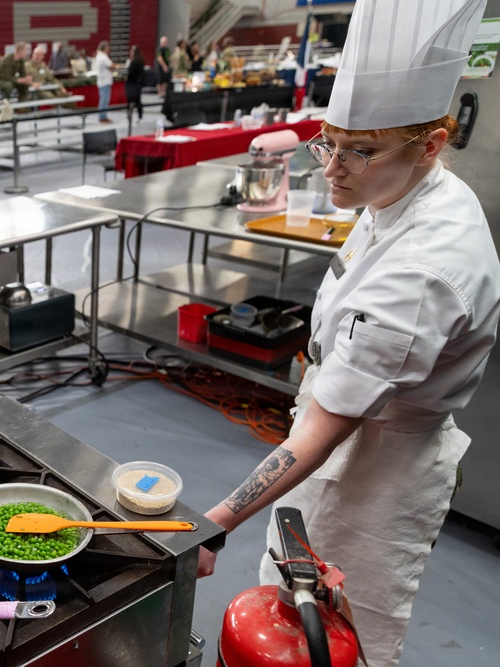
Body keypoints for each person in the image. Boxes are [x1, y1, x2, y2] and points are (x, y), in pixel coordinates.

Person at [197, 2, 500, 666]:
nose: (331, 168)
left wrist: (214, 522)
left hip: (375, 468)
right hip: (338, 433)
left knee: (333, 634)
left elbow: (322, 432)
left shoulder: (427, 266)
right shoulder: (393, 194)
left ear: (431, 144)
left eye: (358, 151)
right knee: (285, 614)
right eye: (328, 141)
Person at [94, 41, 114, 123]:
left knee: (104, 99)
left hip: (103, 81)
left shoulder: (99, 56)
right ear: (105, 48)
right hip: (104, 82)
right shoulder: (103, 57)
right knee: (104, 100)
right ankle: (102, 116)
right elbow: (112, 66)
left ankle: (103, 115)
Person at [124, 45, 145, 120]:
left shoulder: (134, 62)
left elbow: (130, 73)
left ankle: (129, 115)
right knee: (138, 100)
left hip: (132, 83)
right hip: (138, 83)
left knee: (130, 100)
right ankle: (140, 115)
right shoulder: (141, 60)